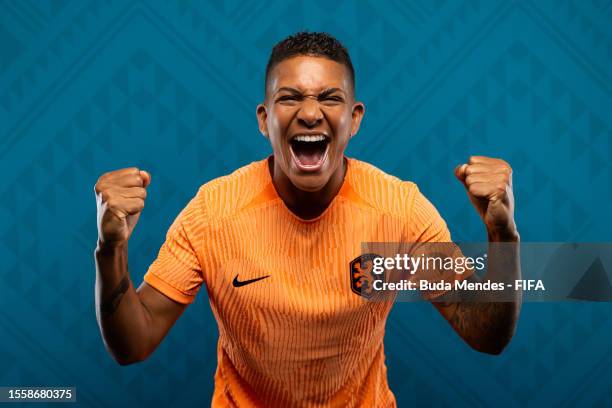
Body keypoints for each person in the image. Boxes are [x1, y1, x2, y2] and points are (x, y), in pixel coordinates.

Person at [94, 32, 521, 407]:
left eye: (330, 98)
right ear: (265, 120)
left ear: (354, 119)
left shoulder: (399, 210)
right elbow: (135, 341)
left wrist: (502, 236)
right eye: (291, 97)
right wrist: (111, 249)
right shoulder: (214, 212)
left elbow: (484, 333)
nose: (311, 113)